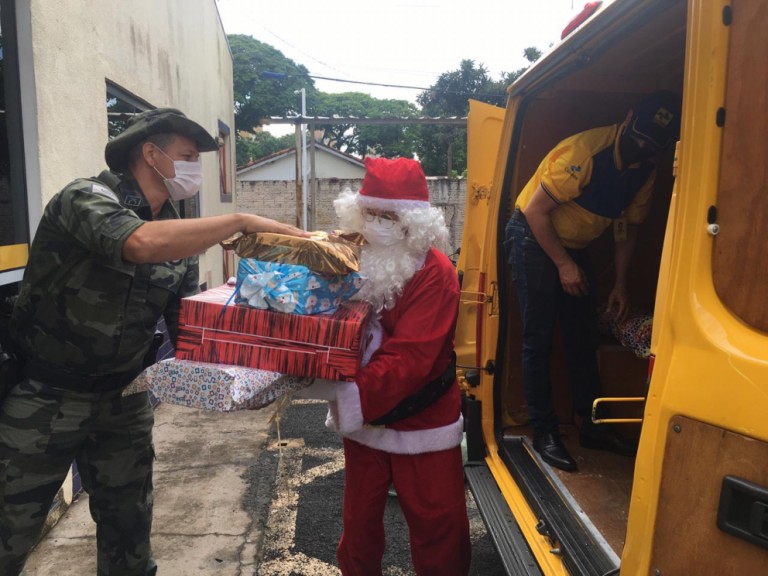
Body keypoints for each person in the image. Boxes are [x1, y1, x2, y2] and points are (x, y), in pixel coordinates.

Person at [0, 107, 308, 575]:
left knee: (130, 534)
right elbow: (138, 242)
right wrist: (239, 220)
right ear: (150, 153)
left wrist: (262, 368)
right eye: (187, 155)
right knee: (10, 530)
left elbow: (189, 330)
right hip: (46, 395)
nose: (195, 170)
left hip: (123, 397)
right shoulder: (84, 199)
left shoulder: (178, 232)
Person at [504, 90, 682, 472]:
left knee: (583, 334)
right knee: (538, 337)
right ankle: (544, 431)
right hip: (533, 237)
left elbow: (627, 228)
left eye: (651, 145)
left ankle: (592, 426)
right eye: (638, 136)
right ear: (629, 115)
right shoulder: (583, 153)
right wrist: (565, 265)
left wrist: (620, 283)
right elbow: (536, 212)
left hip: (574, 243)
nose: (641, 147)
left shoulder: (646, 169)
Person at [322, 157, 471, 575]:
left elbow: (413, 356)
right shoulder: (354, 254)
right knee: (359, 521)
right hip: (365, 411)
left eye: (390, 215)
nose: (378, 224)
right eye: (371, 213)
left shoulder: (436, 273)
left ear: (413, 220)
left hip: (422, 417)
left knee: (438, 524)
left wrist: (346, 393)